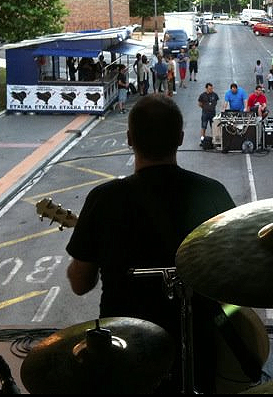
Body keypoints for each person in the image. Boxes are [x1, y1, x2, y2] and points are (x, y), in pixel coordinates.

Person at [66, 95, 236, 393]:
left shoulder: (104, 199)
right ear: (180, 138)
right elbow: (234, 280)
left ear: (129, 139)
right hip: (196, 347)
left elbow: (80, 284)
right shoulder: (212, 193)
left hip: (123, 349)